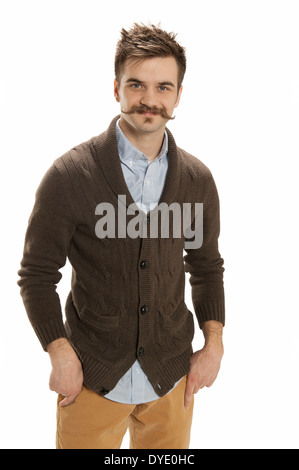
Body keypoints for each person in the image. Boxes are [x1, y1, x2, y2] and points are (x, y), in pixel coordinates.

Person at [17, 23, 225, 449]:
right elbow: (37, 274)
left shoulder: (197, 180)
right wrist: (58, 351)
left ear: (179, 94)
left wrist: (214, 344)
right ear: (116, 89)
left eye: (164, 87)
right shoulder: (70, 176)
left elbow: (206, 265)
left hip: (171, 381)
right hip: (92, 378)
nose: (150, 100)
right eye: (137, 85)